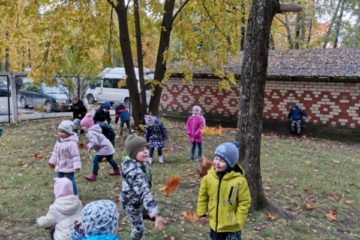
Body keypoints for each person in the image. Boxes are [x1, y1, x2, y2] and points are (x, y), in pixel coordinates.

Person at [196, 142, 251, 240]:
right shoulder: (208, 178)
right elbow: (203, 197)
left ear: (230, 163)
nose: (217, 162)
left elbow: (244, 201)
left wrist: (238, 219)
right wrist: (201, 213)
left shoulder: (239, 181)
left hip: (232, 227)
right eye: (216, 158)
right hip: (215, 225)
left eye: (221, 160)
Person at [121, 134, 165, 240]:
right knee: (138, 229)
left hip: (136, 199)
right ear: (133, 153)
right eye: (141, 150)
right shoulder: (134, 172)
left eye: (146, 148)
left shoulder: (138, 162)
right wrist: (156, 214)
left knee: (145, 208)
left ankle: (147, 212)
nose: (145, 151)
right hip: (132, 205)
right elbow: (144, 192)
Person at [80, 115, 120, 181]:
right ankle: (116, 170)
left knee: (95, 160)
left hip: (104, 147)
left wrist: (89, 147)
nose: (82, 128)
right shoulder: (94, 130)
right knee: (109, 158)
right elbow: (94, 141)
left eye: (83, 126)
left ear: (88, 126)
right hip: (107, 146)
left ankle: (93, 175)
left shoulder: (91, 133)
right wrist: (87, 146)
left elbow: (95, 143)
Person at [49, 120, 81, 195]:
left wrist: (77, 166)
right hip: (60, 165)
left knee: (70, 180)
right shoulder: (59, 141)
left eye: (63, 132)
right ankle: (60, 194)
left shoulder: (72, 144)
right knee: (59, 180)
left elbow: (75, 156)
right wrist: (52, 161)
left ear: (69, 132)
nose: (61, 134)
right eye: (59, 131)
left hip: (69, 166)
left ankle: (75, 195)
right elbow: (55, 152)